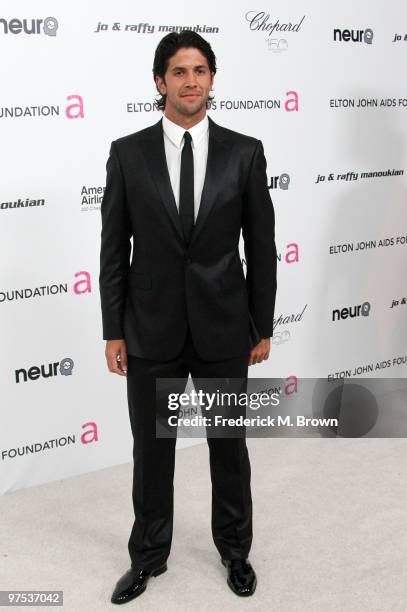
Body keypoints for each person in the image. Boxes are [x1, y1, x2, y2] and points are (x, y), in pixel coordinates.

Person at [99, 29, 277, 605]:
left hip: (225, 327)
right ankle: (148, 556)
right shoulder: (128, 153)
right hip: (151, 331)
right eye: (179, 71)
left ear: (212, 80)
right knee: (152, 454)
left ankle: (236, 551)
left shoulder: (244, 151)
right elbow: (113, 249)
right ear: (160, 82)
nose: (191, 81)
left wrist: (263, 325)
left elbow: (262, 245)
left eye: (200, 70)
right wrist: (113, 329)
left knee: (229, 447)